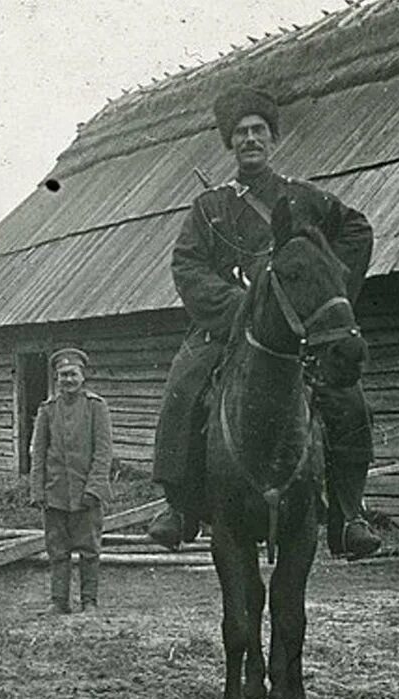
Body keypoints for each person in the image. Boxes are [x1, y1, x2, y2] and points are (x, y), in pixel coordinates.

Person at [149, 85, 380, 560]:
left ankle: (348, 514)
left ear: (272, 138)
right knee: (182, 388)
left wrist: (328, 293)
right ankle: (179, 507)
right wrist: (240, 306)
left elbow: (358, 231)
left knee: (350, 402)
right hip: (229, 328)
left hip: (300, 333)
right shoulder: (209, 208)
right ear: (229, 143)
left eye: (258, 131)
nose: (250, 139)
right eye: (240, 133)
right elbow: (187, 266)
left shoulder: (303, 198)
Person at [28, 348, 113, 614]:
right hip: (55, 492)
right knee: (57, 551)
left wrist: (95, 488)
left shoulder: (95, 407)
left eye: (72, 374)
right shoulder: (47, 410)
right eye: (62, 375)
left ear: (82, 376)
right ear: (56, 378)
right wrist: (37, 490)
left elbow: (103, 451)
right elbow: (38, 453)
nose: (68, 380)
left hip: (86, 492)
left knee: (90, 550)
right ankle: (59, 601)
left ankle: (89, 601)